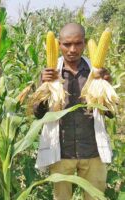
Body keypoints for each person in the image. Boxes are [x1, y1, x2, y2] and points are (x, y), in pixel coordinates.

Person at [34, 23, 113, 200]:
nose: (72, 49)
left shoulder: (97, 73)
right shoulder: (49, 73)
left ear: (84, 43)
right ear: (59, 44)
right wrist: (44, 86)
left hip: (93, 152)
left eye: (77, 43)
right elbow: (38, 114)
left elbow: (110, 114)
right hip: (62, 152)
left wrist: (105, 86)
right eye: (67, 44)